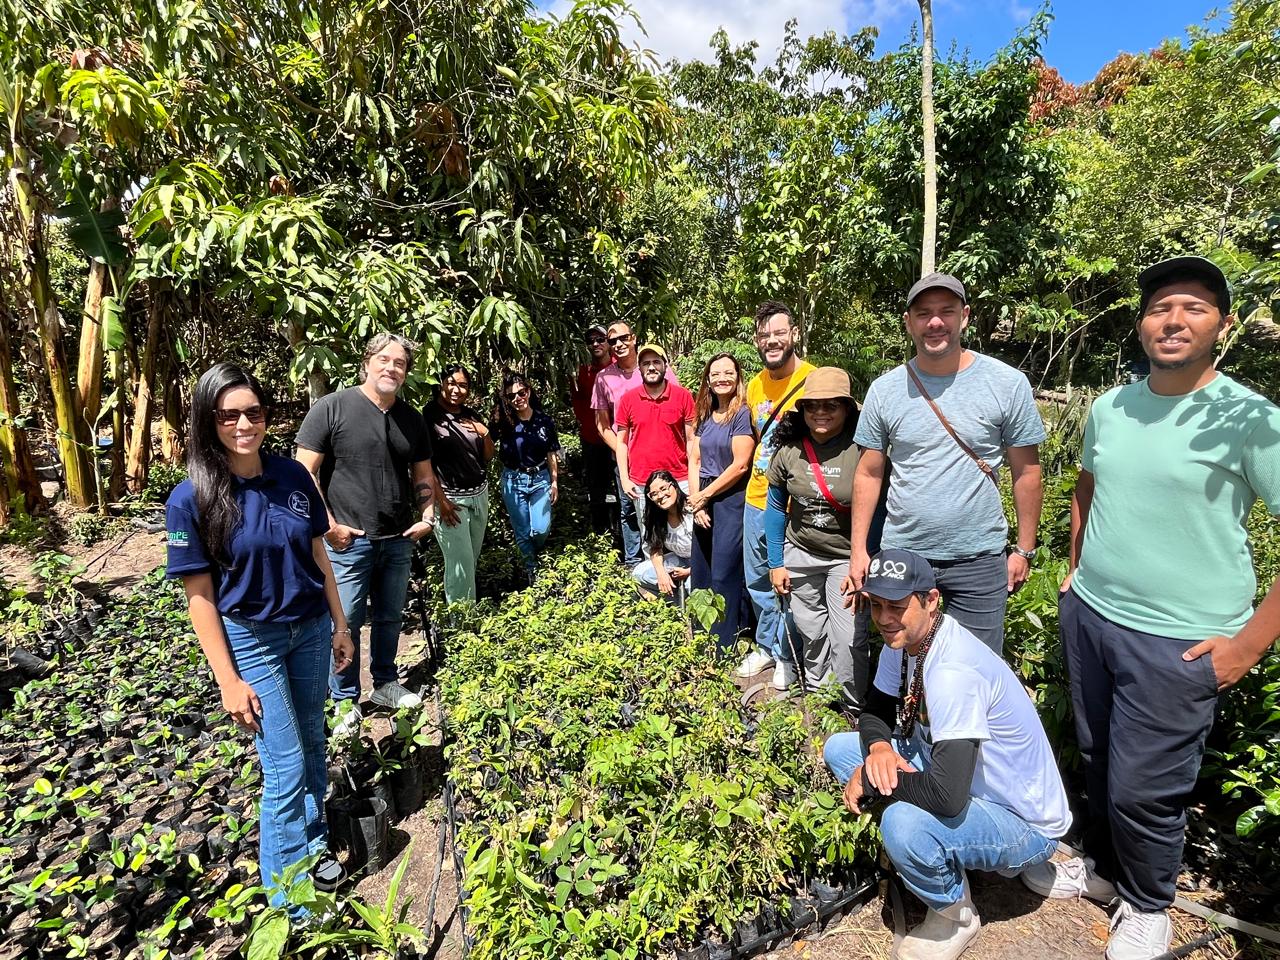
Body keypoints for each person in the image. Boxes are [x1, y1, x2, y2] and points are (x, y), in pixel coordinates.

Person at [1022, 256, 1280, 960]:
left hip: (1181, 641)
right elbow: (1086, 487)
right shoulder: (1113, 406)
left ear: (1221, 325)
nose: (1173, 320)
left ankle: (1149, 904)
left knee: (1144, 789)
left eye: (1194, 308)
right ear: (1141, 324)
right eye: (1161, 307)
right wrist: (1074, 573)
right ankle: (1106, 873)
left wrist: (1248, 646)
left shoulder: (1249, 419)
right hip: (1094, 617)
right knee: (1100, 760)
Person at [167, 363, 356, 914]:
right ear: (209, 421)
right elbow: (199, 597)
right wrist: (227, 679)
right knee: (284, 766)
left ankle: (314, 848)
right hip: (254, 639)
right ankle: (291, 903)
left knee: (315, 745)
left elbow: (319, 555)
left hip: (311, 628)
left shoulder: (293, 477)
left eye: (253, 412)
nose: (243, 423)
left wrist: (340, 625)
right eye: (228, 415)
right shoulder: (192, 498)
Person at [825, 548, 1071, 960]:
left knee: (904, 823)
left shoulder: (953, 670)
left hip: (1021, 819)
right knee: (841, 749)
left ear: (931, 600)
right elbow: (876, 711)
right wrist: (881, 749)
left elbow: (947, 795)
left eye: (897, 607)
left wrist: (873, 777)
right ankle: (936, 850)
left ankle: (954, 913)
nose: (884, 618)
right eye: (876, 604)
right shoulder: (904, 642)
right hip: (961, 779)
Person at [848, 273, 1045, 655]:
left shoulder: (1007, 383)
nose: (935, 322)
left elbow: (1028, 472)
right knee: (906, 663)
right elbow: (869, 473)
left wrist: (1023, 549)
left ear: (965, 316)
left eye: (946, 312)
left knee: (976, 665)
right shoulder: (885, 389)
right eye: (923, 314)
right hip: (903, 554)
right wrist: (859, 550)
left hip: (979, 557)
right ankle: (914, 719)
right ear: (908, 322)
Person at [296, 332, 433, 735]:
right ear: (367, 362)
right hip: (347, 542)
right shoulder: (332, 408)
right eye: (385, 360)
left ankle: (385, 684)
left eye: (400, 363)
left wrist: (427, 515)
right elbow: (303, 473)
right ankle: (343, 700)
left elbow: (423, 474)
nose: (392, 368)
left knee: (391, 616)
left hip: (397, 539)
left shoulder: (411, 420)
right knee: (346, 621)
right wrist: (328, 526)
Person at [765, 367, 874, 709]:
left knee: (848, 637)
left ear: (847, 409)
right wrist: (776, 563)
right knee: (810, 631)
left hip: (846, 557)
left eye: (831, 405)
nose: (820, 413)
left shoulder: (862, 450)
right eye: (813, 406)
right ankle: (818, 697)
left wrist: (867, 557)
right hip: (801, 553)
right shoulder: (789, 452)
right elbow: (774, 508)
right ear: (803, 411)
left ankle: (853, 706)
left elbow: (879, 510)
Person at [739, 301, 815, 690]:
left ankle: (789, 654)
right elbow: (757, 439)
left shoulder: (814, 380)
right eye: (765, 335)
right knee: (757, 579)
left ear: (795, 334)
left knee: (790, 582)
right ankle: (768, 646)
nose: (772, 341)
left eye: (779, 333)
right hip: (757, 495)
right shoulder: (753, 385)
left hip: (798, 503)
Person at [592, 321, 679, 566]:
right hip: (627, 459)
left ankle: (672, 557)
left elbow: (678, 406)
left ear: (634, 338)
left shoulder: (656, 367)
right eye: (612, 341)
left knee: (669, 502)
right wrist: (624, 451)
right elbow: (602, 425)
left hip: (663, 454)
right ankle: (635, 563)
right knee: (630, 508)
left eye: (623, 338)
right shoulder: (604, 379)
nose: (618, 344)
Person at [687, 353, 755, 652]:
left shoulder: (741, 414)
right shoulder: (704, 414)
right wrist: (697, 501)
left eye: (728, 372)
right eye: (715, 374)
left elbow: (741, 464)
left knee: (725, 570)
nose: (721, 378)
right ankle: (702, 632)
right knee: (702, 566)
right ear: (708, 380)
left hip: (730, 497)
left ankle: (725, 640)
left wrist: (706, 496)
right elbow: (694, 459)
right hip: (703, 496)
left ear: (738, 377)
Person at [423, 364, 494, 604]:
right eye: (451, 383)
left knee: (470, 560)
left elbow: (487, 456)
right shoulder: (429, 417)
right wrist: (441, 501)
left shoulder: (471, 414)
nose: (457, 389)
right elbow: (425, 465)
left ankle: (466, 616)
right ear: (441, 384)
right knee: (459, 564)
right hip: (451, 500)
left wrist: (485, 434)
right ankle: (461, 626)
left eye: (463, 385)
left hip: (479, 494)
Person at [613, 343, 696, 521]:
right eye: (645, 363)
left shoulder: (683, 396)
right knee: (651, 537)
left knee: (687, 534)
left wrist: (693, 477)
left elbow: (691, 440)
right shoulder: (627, 400)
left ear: (665, 365)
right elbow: (621, 442)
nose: (651, 367)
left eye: (656, 362)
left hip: (679, 477)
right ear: (639, 368)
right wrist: (625, 479)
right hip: (642, 481)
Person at [493, 372, 561, 583]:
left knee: (540, 528)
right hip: (513, 480)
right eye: (511, 396)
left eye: (521, 393)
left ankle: (536, 550)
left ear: (529, 391)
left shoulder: (544, 420)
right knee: (522, 530)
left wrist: (555, 481)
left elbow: (551, 452)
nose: (518, 399)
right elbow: (485, 441)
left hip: (540, 478)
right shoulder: (504, 422)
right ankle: (531, 570)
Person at [570, 324, 618, 539]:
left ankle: (621, 533)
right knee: (596, 489)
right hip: (592, 439)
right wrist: (588, 425)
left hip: (618, 439)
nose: (596, 344)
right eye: (591, 341)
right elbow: (577, 402)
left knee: (620, 487)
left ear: (609, 342)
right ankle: (600, 534)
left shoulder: (619, 368)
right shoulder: (583, 372)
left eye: (600, 339)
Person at [633, 470, 693, 601]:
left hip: (703, 562)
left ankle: (694, 617)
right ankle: (677, 607)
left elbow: (714, 549)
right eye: (654, 494)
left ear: (674, 485)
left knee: (692, 586)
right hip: (680, 558)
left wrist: (689, 571)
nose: (660, 495)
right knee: (639, 573)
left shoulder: (692, 510)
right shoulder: (657, 517)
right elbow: (655, 547)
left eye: (663, 489)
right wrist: (661, 574)